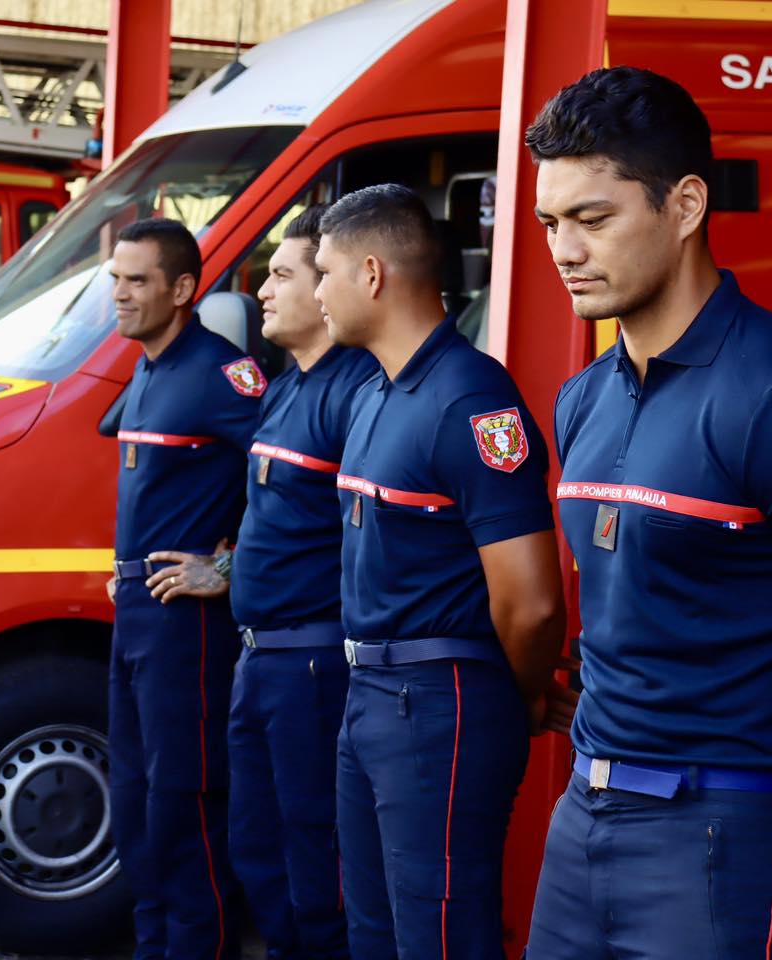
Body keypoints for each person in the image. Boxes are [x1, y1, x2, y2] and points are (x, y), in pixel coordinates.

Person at [524, 66, 772, 958]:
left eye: (593, 219)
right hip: (583, 820)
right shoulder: (582, 399)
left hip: (734, 834)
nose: (564, 249)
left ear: (685, 206)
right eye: (549, 223)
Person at [315, 184, 565, 959]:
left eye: (323, 272)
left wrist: (516, 694)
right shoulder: (375, 391)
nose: (316, 288)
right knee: (374, 931)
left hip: (439, 703)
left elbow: (531, 602)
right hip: (369, 695)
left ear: (371, 273)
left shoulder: (471, 398)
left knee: (440, 936)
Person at [145, 205, 375, 960]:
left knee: (318, 868)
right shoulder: (282, 388)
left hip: (313, 666)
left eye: (281, 275)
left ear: (329, 288)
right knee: (258, 853)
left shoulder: (354, 396)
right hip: (259, 660)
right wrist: (228, 570)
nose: (262, 292)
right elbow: (269, 518)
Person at [107, 217, 264, 959]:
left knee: (186, 810)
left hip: (188, 626)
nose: (121, 295)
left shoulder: (223, 373)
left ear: (182, 289)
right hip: (139, 610)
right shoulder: (145, 366)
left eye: (137, 281)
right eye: (116, 278)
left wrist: (229, 570)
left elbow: (297, 480)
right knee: (135, 807)